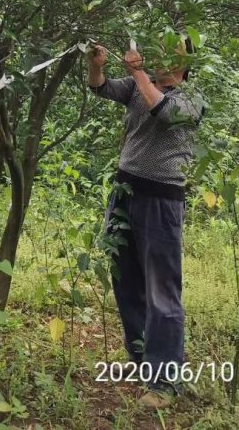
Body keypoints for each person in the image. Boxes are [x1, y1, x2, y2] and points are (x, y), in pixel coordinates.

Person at [88, 36, 206, 411]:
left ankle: (165, 381)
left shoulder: (192, 98)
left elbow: (166, 113)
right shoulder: (142, 86)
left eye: (172, 49)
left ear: (185, 59)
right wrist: (98, 64)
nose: (162, 54)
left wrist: (139, 73)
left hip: (161, 200)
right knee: (126, 281)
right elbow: (101, 88)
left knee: (162, 292)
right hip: (125, 193)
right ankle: (142, 364)